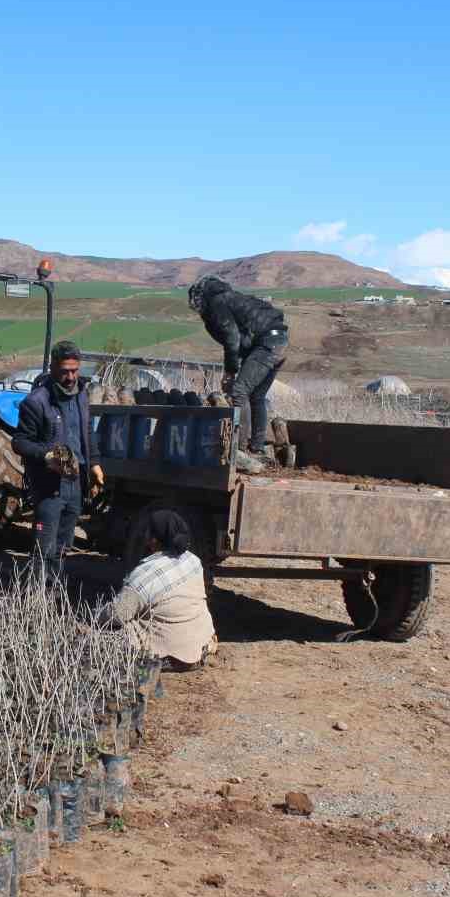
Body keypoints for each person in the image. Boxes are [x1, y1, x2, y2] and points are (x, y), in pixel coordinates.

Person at [12, 341, 105, 584]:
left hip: (75, 484)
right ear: (53, 367)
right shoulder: (36, 402)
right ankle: (33, 600)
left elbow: (87, 432)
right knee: (44, 549)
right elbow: (19, 442)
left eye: (75, 370)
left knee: (63, 547)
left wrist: (93, 463)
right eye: (65, 371)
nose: (71, 376)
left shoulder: (81, 395)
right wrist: (46, 455)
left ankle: (52, 595)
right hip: (49, 485)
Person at [187, 274, 288, 473]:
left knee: (239, 391)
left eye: (195, 305)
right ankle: (257, 447)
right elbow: (244, 338)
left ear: (199, 299)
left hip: (267, 344)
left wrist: (230, 371)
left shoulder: (217, 304)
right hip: (280, 340)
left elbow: (232, 339)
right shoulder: (233, 297)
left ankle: (239, 448)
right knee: (256, 396)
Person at [109, 510, 217, 671]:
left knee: (107, 636)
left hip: (171, 656)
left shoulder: (146, 574)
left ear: (153, 540)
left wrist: (95, 616)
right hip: (201, 644)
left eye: (148, 531)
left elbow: (117, 615)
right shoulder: (194, 561)